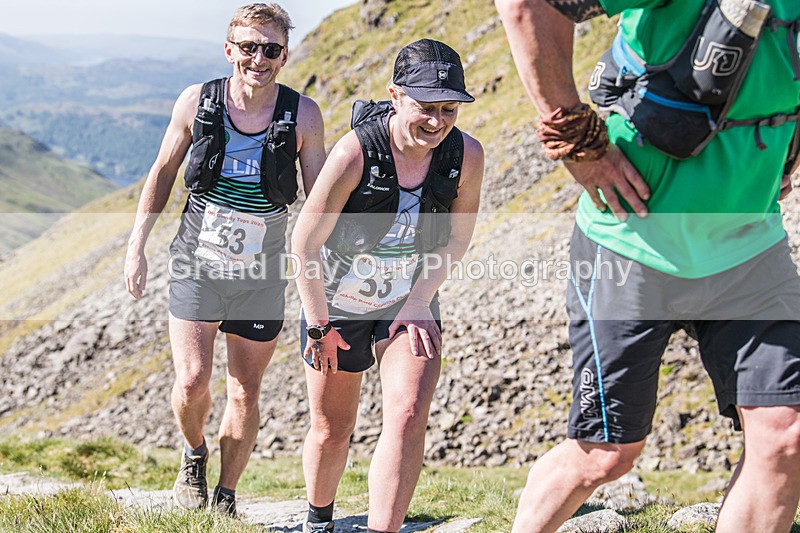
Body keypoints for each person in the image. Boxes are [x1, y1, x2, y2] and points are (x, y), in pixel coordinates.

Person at [495, 0, 800, 531]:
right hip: (629, 242)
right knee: (605, 454)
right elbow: (527, 5)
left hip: (749, 246)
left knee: (785, 436)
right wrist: (577, 140)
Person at [123, 3, 325, 516]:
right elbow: (163, 171)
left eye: (271, 49)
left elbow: (320, 194)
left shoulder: (302, 114)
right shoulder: (197, 101)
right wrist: (137, 244)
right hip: (198, 259)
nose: (259, 58)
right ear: (229, 49)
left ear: (284, 55)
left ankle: (226, 496)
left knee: (244, 391)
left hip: (262, 269)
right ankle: (194, 454)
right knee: (192, 381)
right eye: (249, 47)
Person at [291, 39, 484, 533]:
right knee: (334, 430)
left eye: (449, 109)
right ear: (395, 96)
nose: (438, 122)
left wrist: (420, 299)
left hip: (409, 298)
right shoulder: (355, 152)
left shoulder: (466, 156)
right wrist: (319, 327)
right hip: (336, 303)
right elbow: (305, 245)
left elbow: (458, 239)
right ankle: (319, 521)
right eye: (426, 108)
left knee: (407, 412)